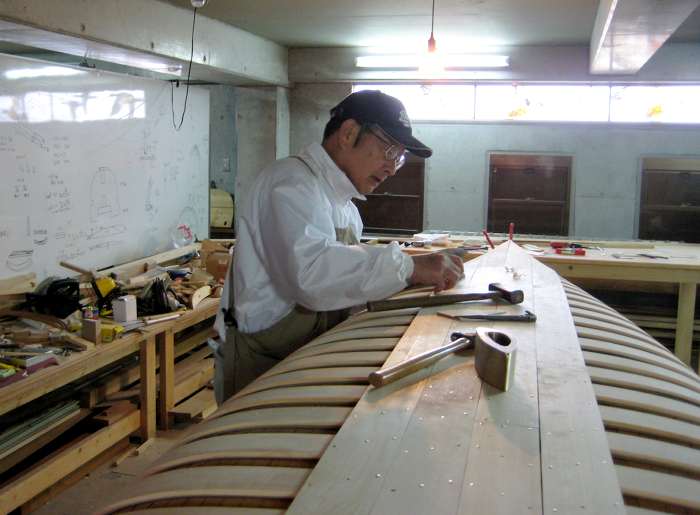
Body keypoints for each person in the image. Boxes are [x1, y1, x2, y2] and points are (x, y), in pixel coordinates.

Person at [213, 90, 463, 404]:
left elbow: (343, 284)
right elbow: (311, 274)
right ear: (348, 133)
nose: (391, 168)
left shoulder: (345, 208)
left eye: (399, 158)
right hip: (263, 364)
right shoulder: (291, 184)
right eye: (389, 150)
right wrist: (408, 267)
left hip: (306, 358)